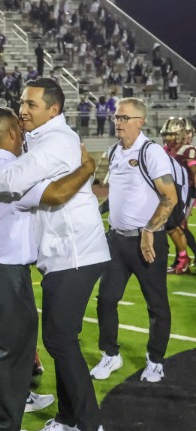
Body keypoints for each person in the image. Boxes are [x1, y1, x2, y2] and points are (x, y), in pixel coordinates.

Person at [0, 78, 112, 431]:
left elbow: (18, 179)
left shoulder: (58, 140)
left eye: (31, 104)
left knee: (60, 340)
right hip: (61, 255)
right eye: (22, 102)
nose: (23, 110)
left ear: (54, 109)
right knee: (59, 340)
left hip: (75, 253)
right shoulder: (41, 140)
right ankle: (68, 421)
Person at [91, 98, 178, 383]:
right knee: (106, 299)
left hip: (147, 242)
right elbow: (117, 194)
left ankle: (155, 360)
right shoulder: (114, 151)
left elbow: (170, 197)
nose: (118, 122)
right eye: (116, 117)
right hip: (116, 241)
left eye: (124, 118)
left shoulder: (151, 152)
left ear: (140, 121)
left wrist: (149, 230)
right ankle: (110, 354)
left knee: (156, 304)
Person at [160, 117, 195, 273]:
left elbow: (194, 174)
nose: (168, 138)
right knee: (175, 226)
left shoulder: (187, 150)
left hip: (188, 192)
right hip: (173, 192)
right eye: (166, 134)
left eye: (171, 134)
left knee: (179, 226)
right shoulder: (165, 150)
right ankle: (180, 260)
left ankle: (183, 260)